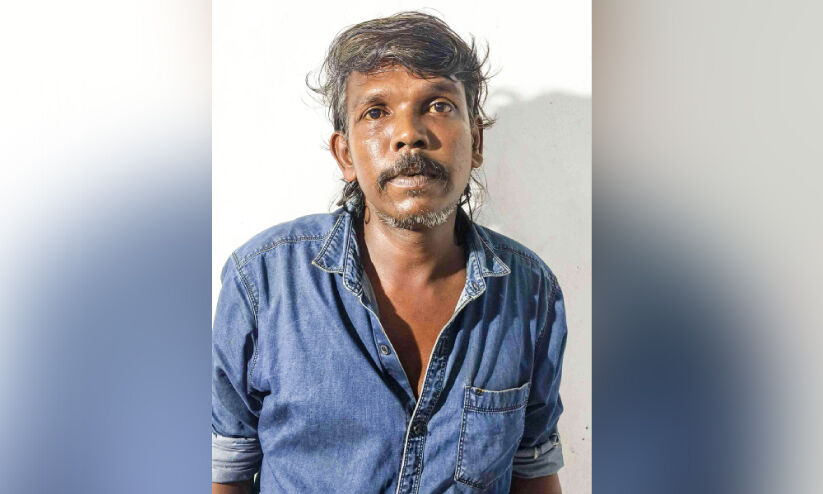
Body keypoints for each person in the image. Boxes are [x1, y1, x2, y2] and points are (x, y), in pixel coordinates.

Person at [212, 11, 568, 494]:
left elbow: (533, 469)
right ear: (345, 155)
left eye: (438, 105)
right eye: (376, 112)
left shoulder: (530, 291)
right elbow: (225, 472)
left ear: (476, 141)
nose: (409, 134)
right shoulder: (263, 282)